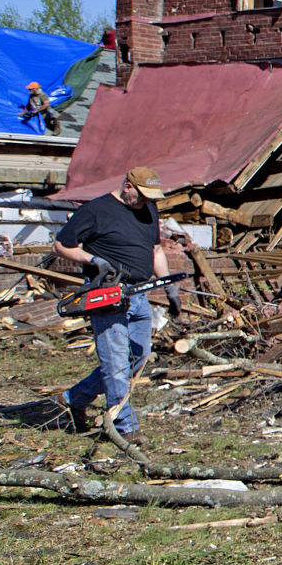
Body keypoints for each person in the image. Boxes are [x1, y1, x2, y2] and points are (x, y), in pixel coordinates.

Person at [51, 167, 180, 443]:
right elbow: (61, 245)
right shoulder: (96, 210)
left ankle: (74, 398)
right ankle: (125, 427)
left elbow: (155, 250)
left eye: (150, 198)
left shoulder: (148, 209)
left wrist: (169, 285)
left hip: (140, 295)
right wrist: (93, 260)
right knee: (116, 363)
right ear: (127, 187)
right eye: (142, 196)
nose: (146, 202)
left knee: (138, 355)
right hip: (108, 297)